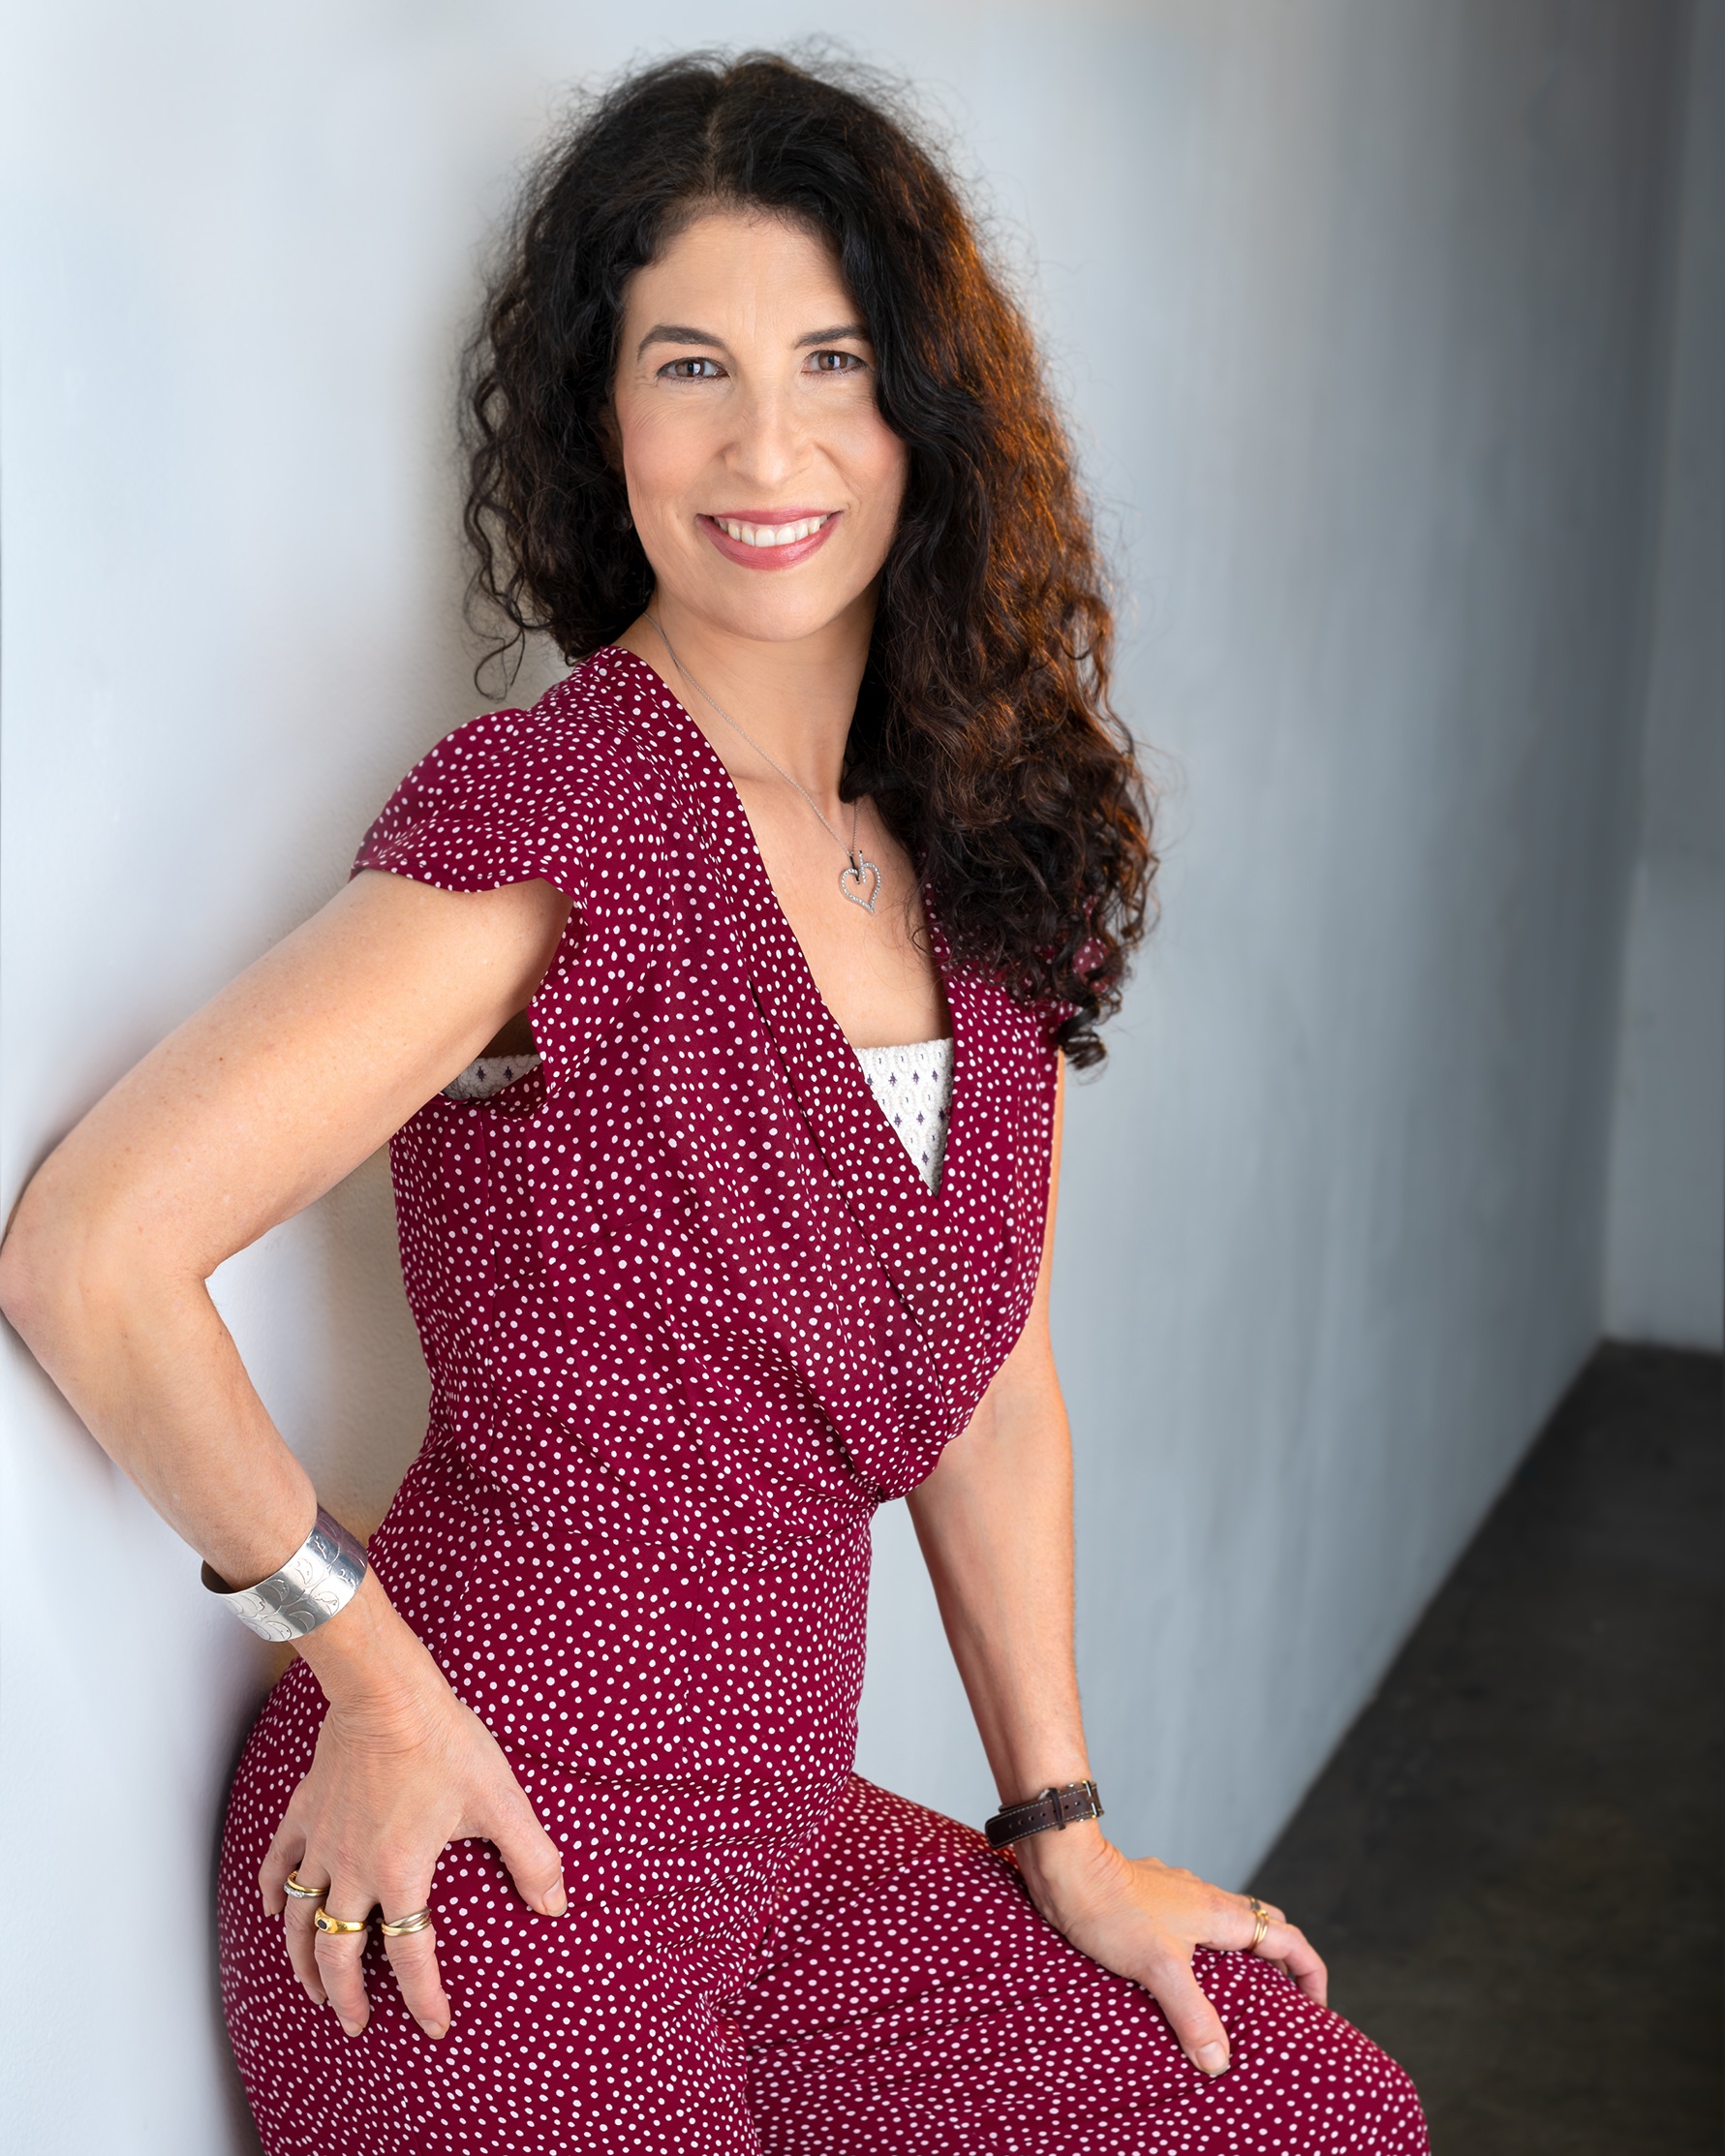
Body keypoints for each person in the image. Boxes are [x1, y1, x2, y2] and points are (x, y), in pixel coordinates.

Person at [0, 49, 1427, 2156]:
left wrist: (1065, 1834)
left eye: (833, 365)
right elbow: (92, 1252)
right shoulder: (562, 814)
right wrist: (373, 1686)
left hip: (779, 1860)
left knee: (1297, 2113)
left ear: (924, 418)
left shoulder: (977, 857)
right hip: (481, 1856)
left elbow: (998, 1392)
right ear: (604, 414)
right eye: (690, 366)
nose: (767, 445)